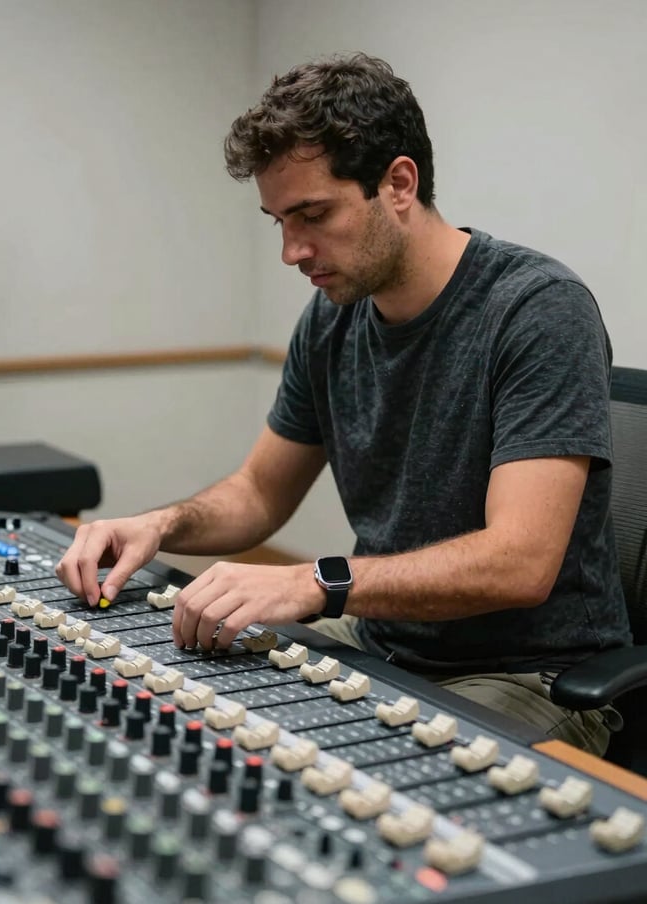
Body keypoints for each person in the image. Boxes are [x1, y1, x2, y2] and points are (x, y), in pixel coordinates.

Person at [57, 52, 630, 755]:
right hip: (377, 638)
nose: (292, 251)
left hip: (522, 675)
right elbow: (259, 494)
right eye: (278, 222)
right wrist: (156, 525)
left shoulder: (537, 309)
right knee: (171, 711)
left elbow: (519, 561)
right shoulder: (332, 318)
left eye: (313, 215)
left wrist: (316, 582)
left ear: (398, 183)